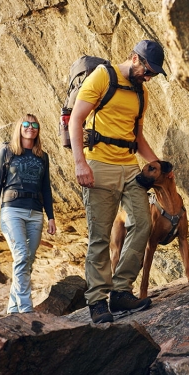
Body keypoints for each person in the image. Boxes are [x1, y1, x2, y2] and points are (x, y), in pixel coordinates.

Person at [68, 39, 166, 324]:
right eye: (148, 70)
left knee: (143, 223)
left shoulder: (141, 93)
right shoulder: (103, 76)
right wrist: (80, 163)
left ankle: (121, 291)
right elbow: (76, 120)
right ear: (134, 59)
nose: (149, 77)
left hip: (129, 166)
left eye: (153, 73)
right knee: (100, 236)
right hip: (98, 165)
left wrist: (158, 164)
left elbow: (138, 137)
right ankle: (97, 301)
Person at [0, 113, 56, 313]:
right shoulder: (8, 151)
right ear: (19, 127)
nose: (30, 127)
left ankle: (13, 306)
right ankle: (26, 308)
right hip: (12, 211)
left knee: (27, 260)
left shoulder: (42, 156)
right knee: (22, 255)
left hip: (35, 213)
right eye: (26, 124)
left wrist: (51, 217)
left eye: (34, 125)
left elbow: (46, 189)